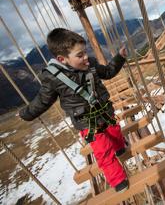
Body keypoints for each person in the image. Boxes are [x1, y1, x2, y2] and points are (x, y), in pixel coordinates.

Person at [18, 28, 129, 193]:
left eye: (85, 52)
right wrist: (25, 114)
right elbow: (43, 101)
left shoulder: (90, 64)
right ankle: (118, 180)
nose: (85, 58)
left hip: (105, 112)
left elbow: (107, 72)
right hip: (86, 122)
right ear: (62, 59)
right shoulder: (53, 78)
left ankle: (120, 148)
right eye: (80, 55)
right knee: (103, 152)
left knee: (114, 130)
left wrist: (119, 58)